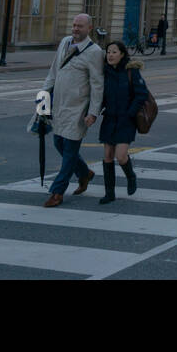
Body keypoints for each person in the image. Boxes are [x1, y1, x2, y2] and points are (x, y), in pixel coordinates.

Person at [39, 13, 104, 207]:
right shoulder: (65, 42)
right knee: (59, 142)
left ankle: (57, 192)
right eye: (74, 25)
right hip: (59, 103)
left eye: (80, 26)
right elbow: (53, 71)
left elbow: (97, 84)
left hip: (78, 108)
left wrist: (93, 112)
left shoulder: (94, 52)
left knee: (69, 150)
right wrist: (43, 97)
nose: (76, 29)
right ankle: (84, 173)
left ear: (89, 28)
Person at [98, 40, 146, 203]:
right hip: (110, 118)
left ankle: (130, 176)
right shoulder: (104, 72)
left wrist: (130, 113)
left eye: (114, 52)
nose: (110, 55)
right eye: (108, 52)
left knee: (121, 156)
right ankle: (109, 193)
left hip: (126, 120)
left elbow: (141, 95)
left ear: (122, 54)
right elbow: (100, 96)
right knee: (108, 156)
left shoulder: (131, 71)